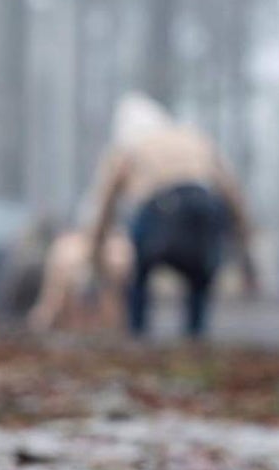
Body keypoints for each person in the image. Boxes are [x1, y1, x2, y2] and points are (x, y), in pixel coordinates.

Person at [86, 93, 258, 339]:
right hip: (207, 209)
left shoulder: (129, 146)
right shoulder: (194, 137)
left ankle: (137, 335)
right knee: (199, 278)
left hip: (161, 212)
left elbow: (104, 204)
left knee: (138, 271)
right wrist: (245, 245)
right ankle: (195, 337)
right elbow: (232, 191)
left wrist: (94, 255)